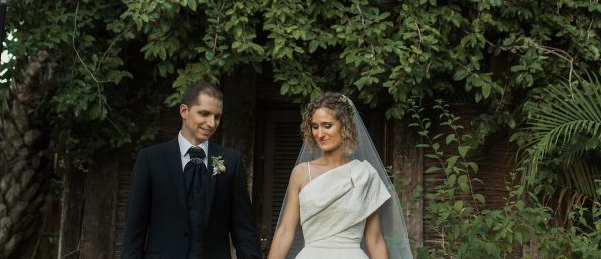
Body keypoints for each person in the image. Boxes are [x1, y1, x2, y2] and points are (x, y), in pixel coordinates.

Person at [121, 81, 261, 259]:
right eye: (204, 113)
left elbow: (244, 233)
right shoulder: (150, 159)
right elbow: (134, 231)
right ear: (184, 111)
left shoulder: (231, 161)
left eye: (217, 117)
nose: (211, 123)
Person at [267, 92, 413, 259]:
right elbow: (285, 230)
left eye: (327, 125)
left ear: (345, 126)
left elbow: (375, 239)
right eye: (315, 126)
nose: (319, 134)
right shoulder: (301, 173)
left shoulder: (365, 174)